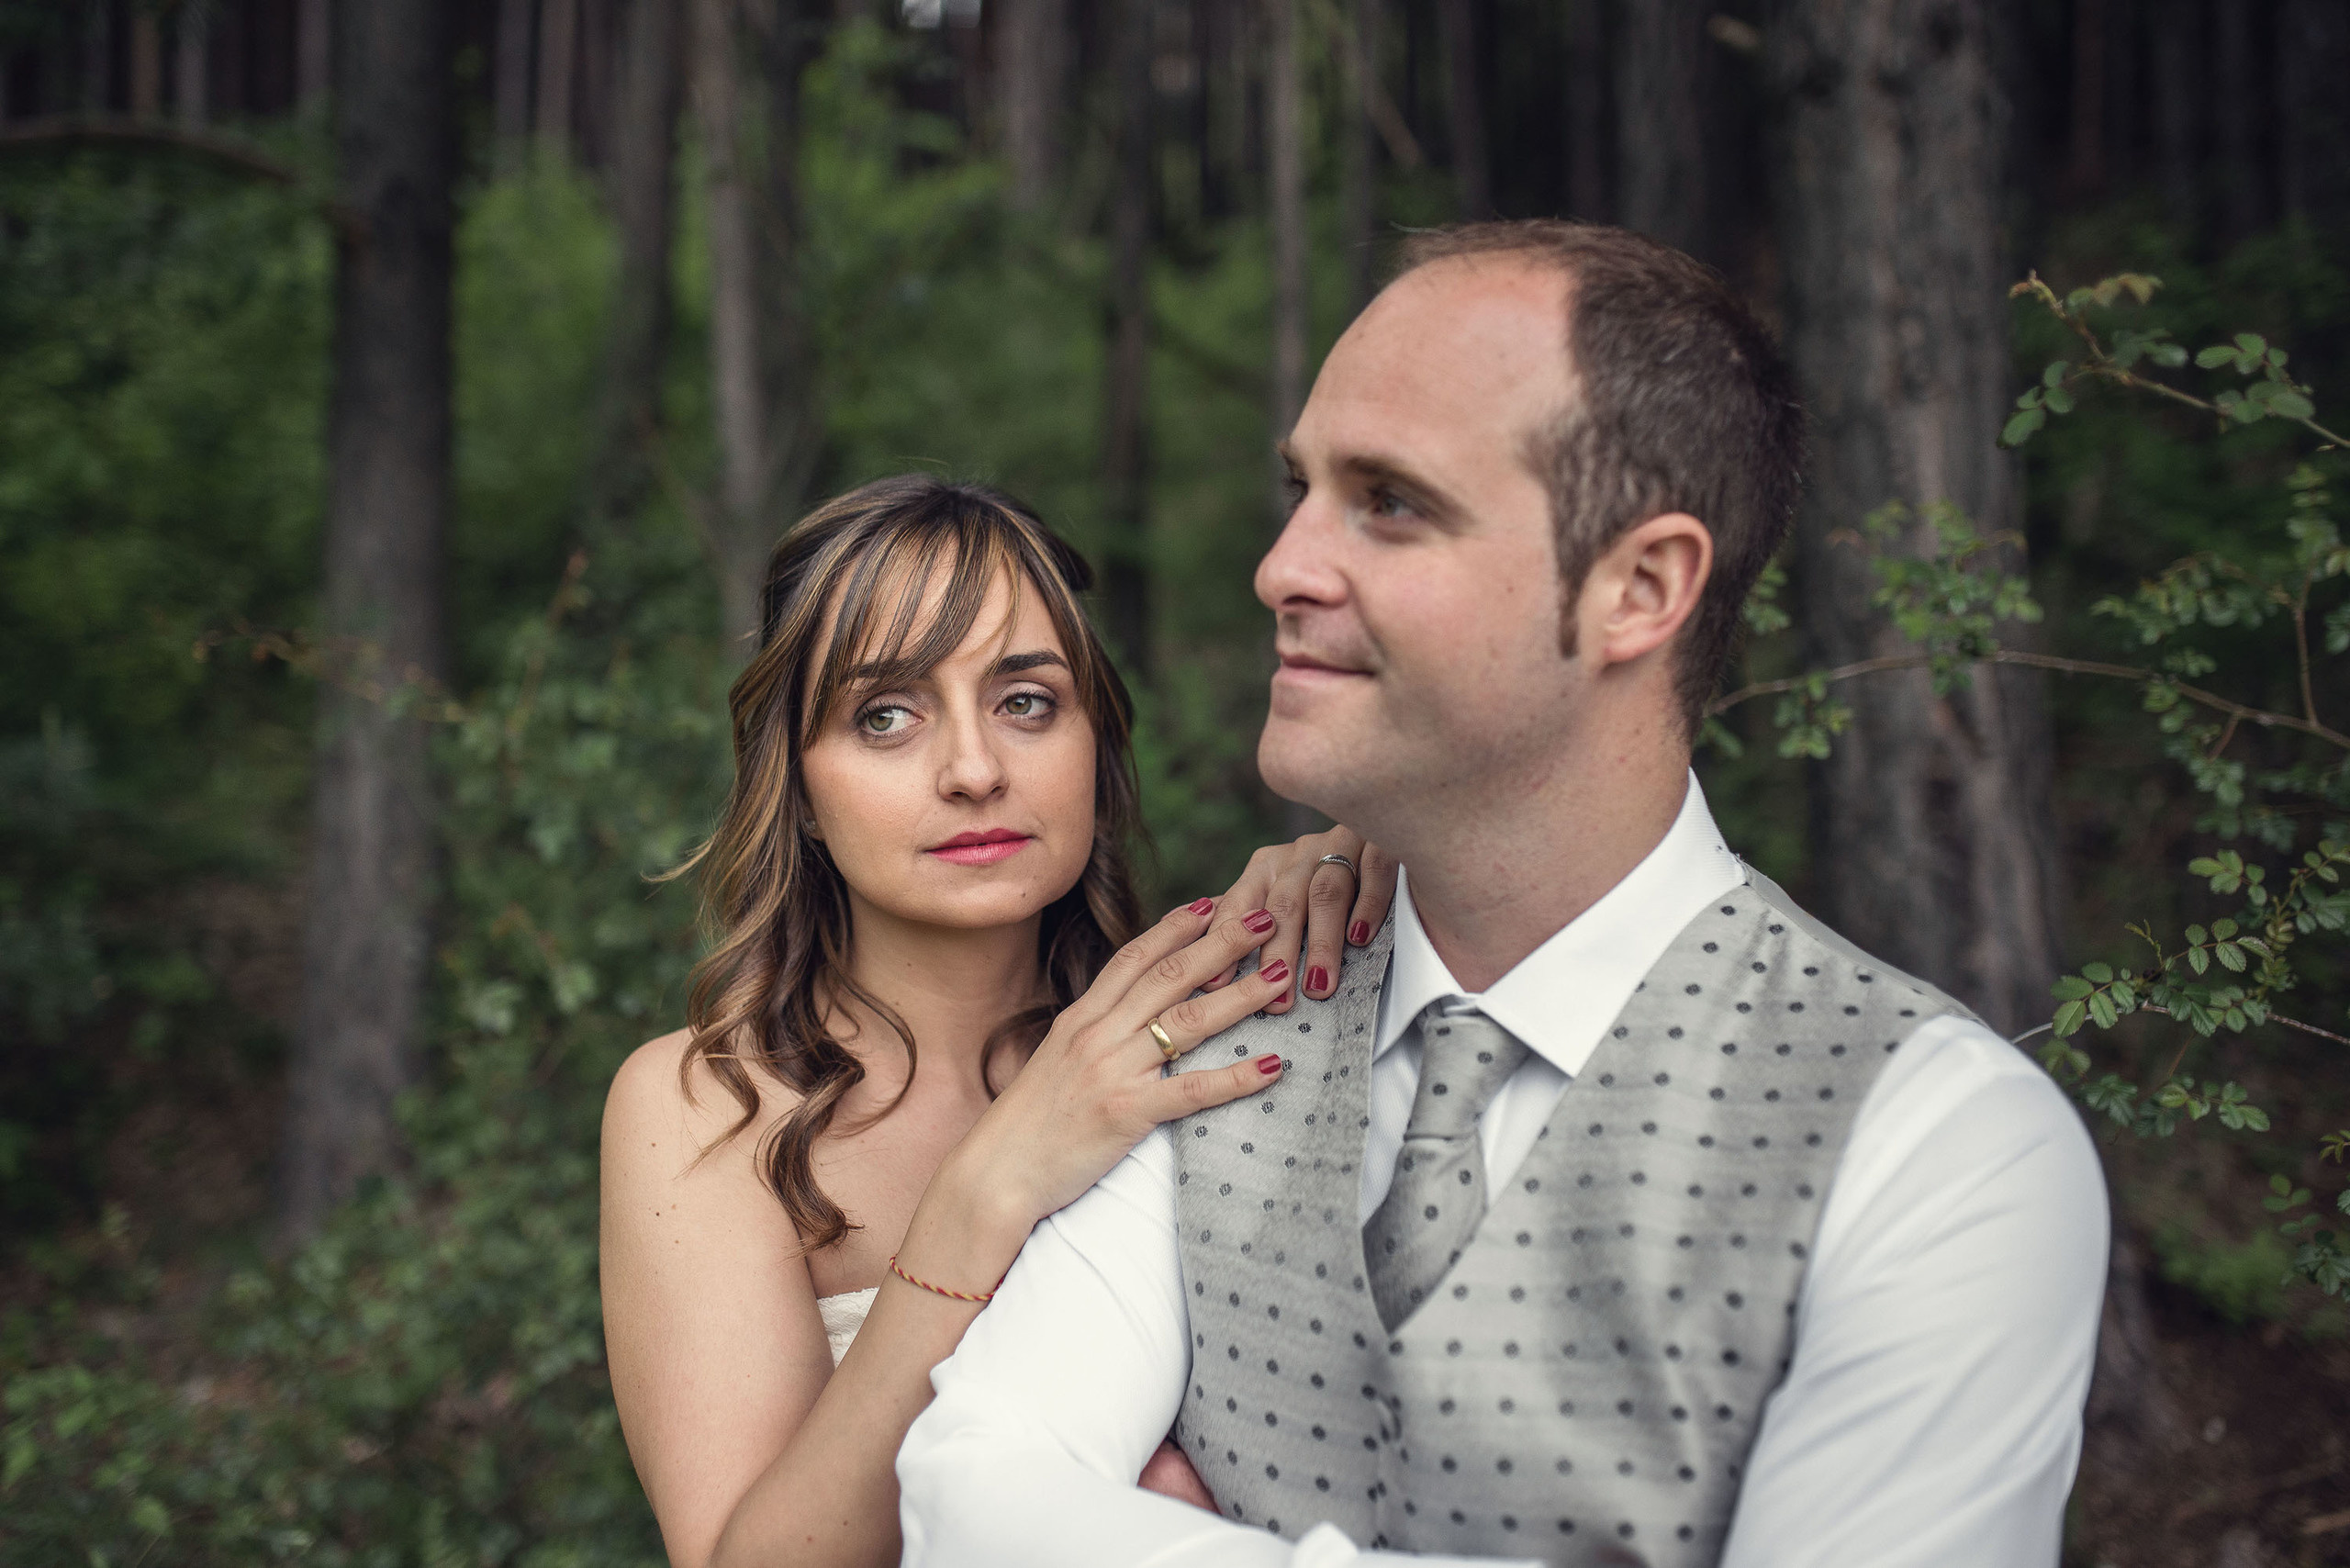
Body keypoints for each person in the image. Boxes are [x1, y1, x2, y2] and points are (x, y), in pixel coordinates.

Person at [897, 221, 2110, 1567]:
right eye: (1298, 489)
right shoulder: (1208, 1019)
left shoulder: (1936, 1147)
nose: (1283, 567)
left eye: (1392, 503)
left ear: (1639, 589)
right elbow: (970, 1502)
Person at [599, 475, 1401, 1568]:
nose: (974, 771)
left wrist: (1363, 864)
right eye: (885, 716)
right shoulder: (705, 1105)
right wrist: (990, 1188)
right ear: (798, 792)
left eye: (1026, 702)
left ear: (1094, 746)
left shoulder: (1196, 1024)